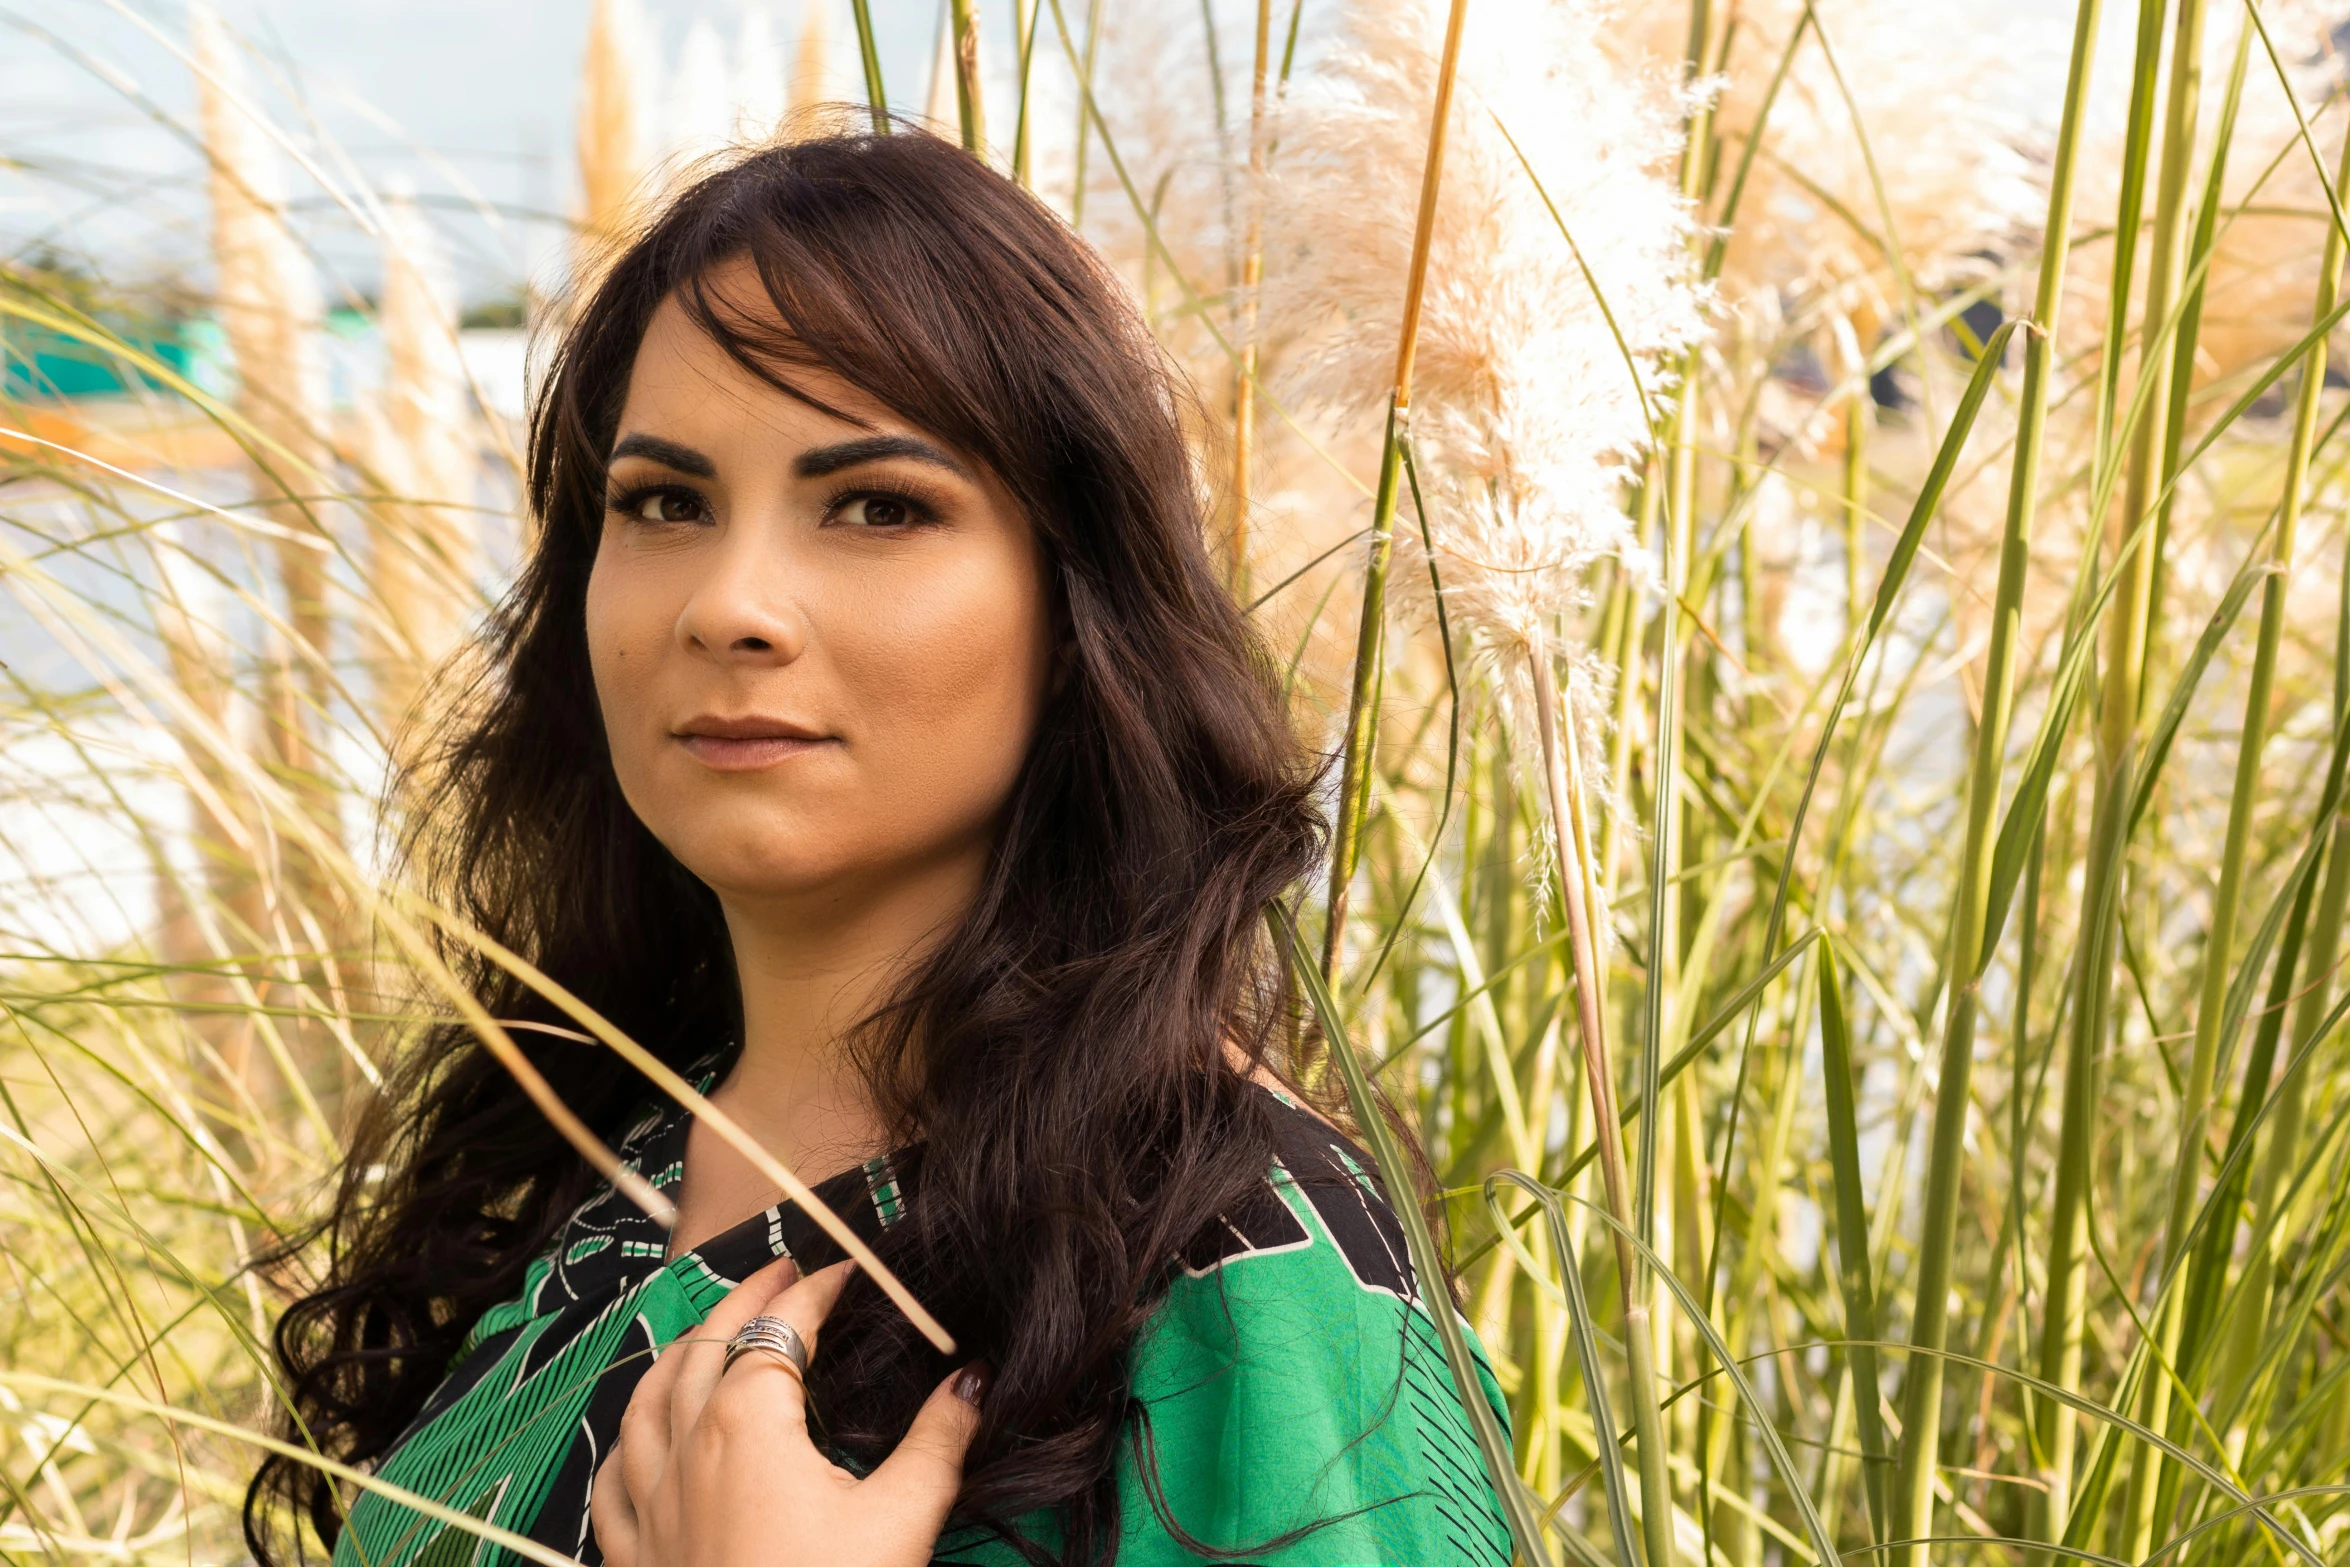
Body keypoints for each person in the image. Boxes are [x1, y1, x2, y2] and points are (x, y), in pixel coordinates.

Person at [248, 124, 1513, 1567]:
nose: (730, 603)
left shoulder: (1229, 1266)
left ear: (1074, 605)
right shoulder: (581, 1141)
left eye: (876, 506)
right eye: (665, 502)